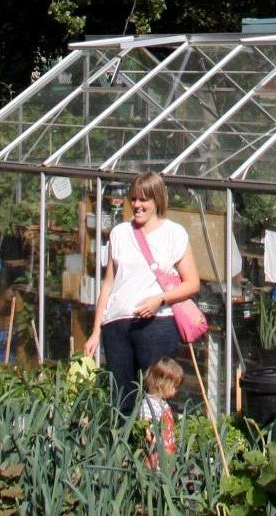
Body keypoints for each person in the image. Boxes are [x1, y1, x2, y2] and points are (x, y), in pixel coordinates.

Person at [84, 172, 200, 415]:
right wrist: (96, 330)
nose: (137, 205)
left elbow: (192, 284)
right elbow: (108, 285)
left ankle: (157, 450)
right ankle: (124, 451)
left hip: (156, 324)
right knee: (122, 400)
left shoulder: (174, 234)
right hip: (117, 325)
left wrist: (160, 299)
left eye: (143, 200)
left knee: (155, 399)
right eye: (134, 199)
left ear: (157, 200)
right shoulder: (120, 233)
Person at [139, 357, 183, 468]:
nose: (176, 391)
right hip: (156, 457)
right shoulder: (149, 404)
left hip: (166, 456)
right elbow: (145, 426)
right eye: (174, 387)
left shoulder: (162, 403)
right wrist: (154, 442)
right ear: (162, 383)